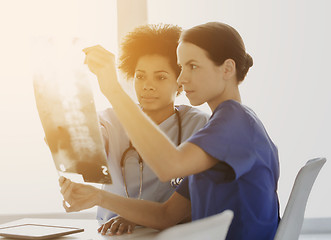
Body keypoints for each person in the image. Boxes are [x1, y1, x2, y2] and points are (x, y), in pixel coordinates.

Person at [59, 22, 280, 240]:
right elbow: (166, 215)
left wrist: (113, 90)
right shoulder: (226, 126)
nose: (182, 78)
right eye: (182, 67)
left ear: (227, 69)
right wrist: (98, 196)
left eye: (192, 66)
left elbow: (169, 167)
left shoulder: (232, 122)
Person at [96, 23, 210, 234]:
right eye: (140, 76)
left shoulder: (199, 124)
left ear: (180, 83)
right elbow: (89, 148)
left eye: (160, 77)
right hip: (113, 233)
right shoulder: (111, 118)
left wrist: (138, 217)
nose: (148, 85)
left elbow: (201, 199)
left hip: (174, 233)